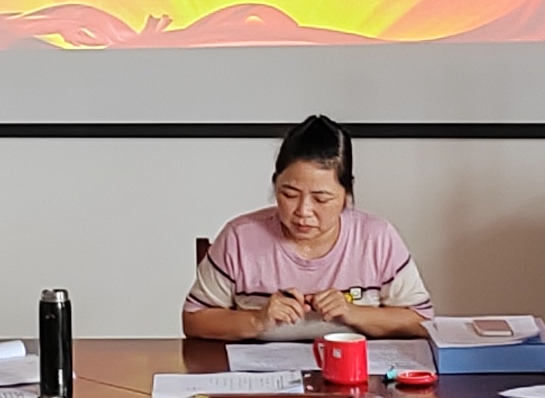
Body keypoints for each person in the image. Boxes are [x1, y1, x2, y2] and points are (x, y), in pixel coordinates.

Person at [183, 115, 432, 340]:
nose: (303, 211)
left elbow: (421, 320)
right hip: (263, 384)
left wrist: (354, 312)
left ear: (347, 194)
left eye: (321, 199)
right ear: (275, 185)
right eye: (289, 194)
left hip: (359, 383)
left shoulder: (376, 238)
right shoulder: (240, 238)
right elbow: (194, 320)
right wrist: (257, 319)